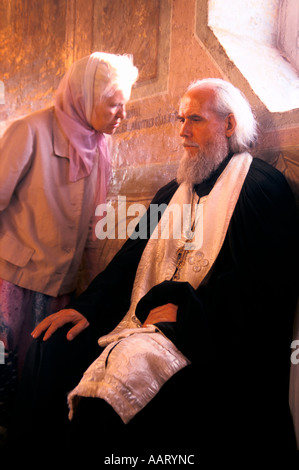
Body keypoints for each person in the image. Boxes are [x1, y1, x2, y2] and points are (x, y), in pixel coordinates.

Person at [8, 78, 299, 458]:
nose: (182, 131)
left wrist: (187, 313)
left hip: (208, 336)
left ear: (229, 126)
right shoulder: (169, 193)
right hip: (140, 322)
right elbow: (128, 260)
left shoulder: (260, 187)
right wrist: (86, 307)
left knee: (121, 381)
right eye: (180, 119)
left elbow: (263, 285)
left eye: (194, 119)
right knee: (53, 347)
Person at [0, 52, 138, 437]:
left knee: (34, 387)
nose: (121, 114)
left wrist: (91, 297)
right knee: (3, 376)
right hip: (14, 283)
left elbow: (95, 229)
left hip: (61, 289)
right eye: (113, 104)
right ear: (84, 96)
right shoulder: (30, 131)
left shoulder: (100, 147)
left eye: (125, 104)